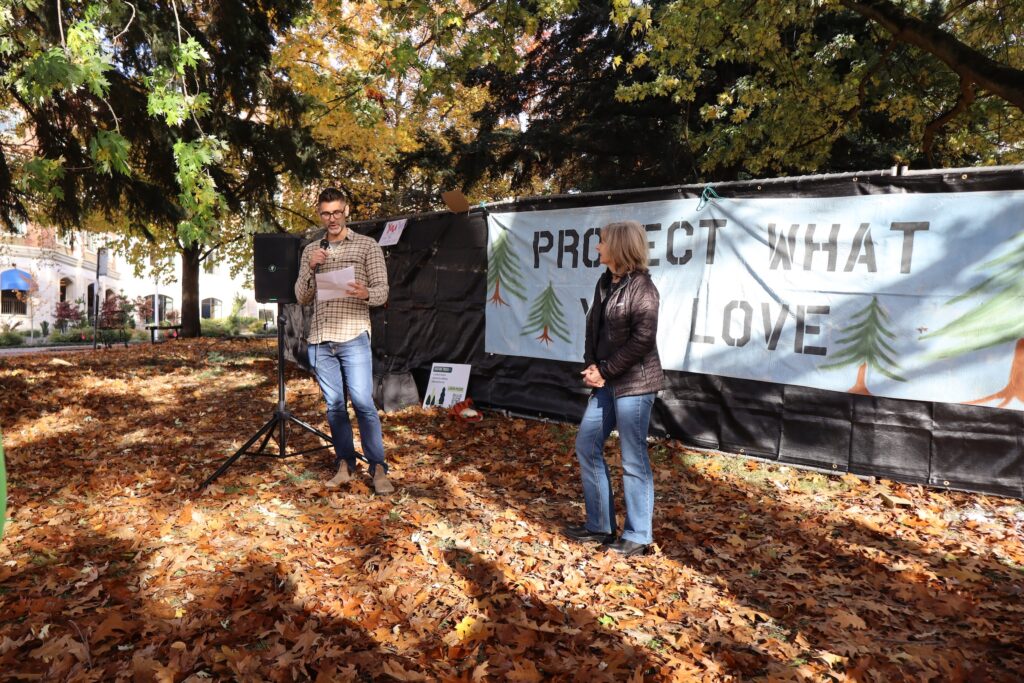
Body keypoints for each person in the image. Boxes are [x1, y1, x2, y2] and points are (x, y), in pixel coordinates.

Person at [564, 220, 664, 556]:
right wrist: (591, 367)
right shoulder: (605, 282)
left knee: (633, 458)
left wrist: (605, 370)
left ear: (618, 246)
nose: (597, 247)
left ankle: (638, 536)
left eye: (602, 242)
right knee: (587, 444)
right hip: (606, 381)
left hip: (635, 384)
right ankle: (600, 527)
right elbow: (594, 329)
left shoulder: (643, 288)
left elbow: (642, 340)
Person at [295, 187, 394, 494]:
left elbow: (382, 291)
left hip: (353, 336)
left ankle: (378, 468)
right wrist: (311, 267)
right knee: (335, 407)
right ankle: (345, 464)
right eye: (326, 213)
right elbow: (301, 296)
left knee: (363, 403)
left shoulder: (367, 246)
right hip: (321, 339)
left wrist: (365, 293)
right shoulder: (312, 250)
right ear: (320, 215)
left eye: (337, 212)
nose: (332, 218)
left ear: (347, 210)